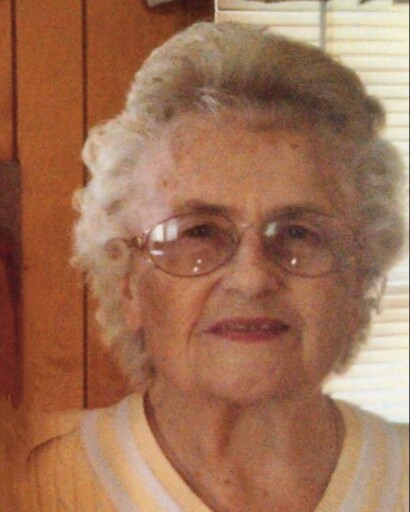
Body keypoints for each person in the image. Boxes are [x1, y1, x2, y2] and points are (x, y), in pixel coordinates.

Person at [20, 22, 408, 512]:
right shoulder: (31, 485)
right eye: (199, 232)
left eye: (299, 232)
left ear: (359, 280)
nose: (252, 279)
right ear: (128, 284)